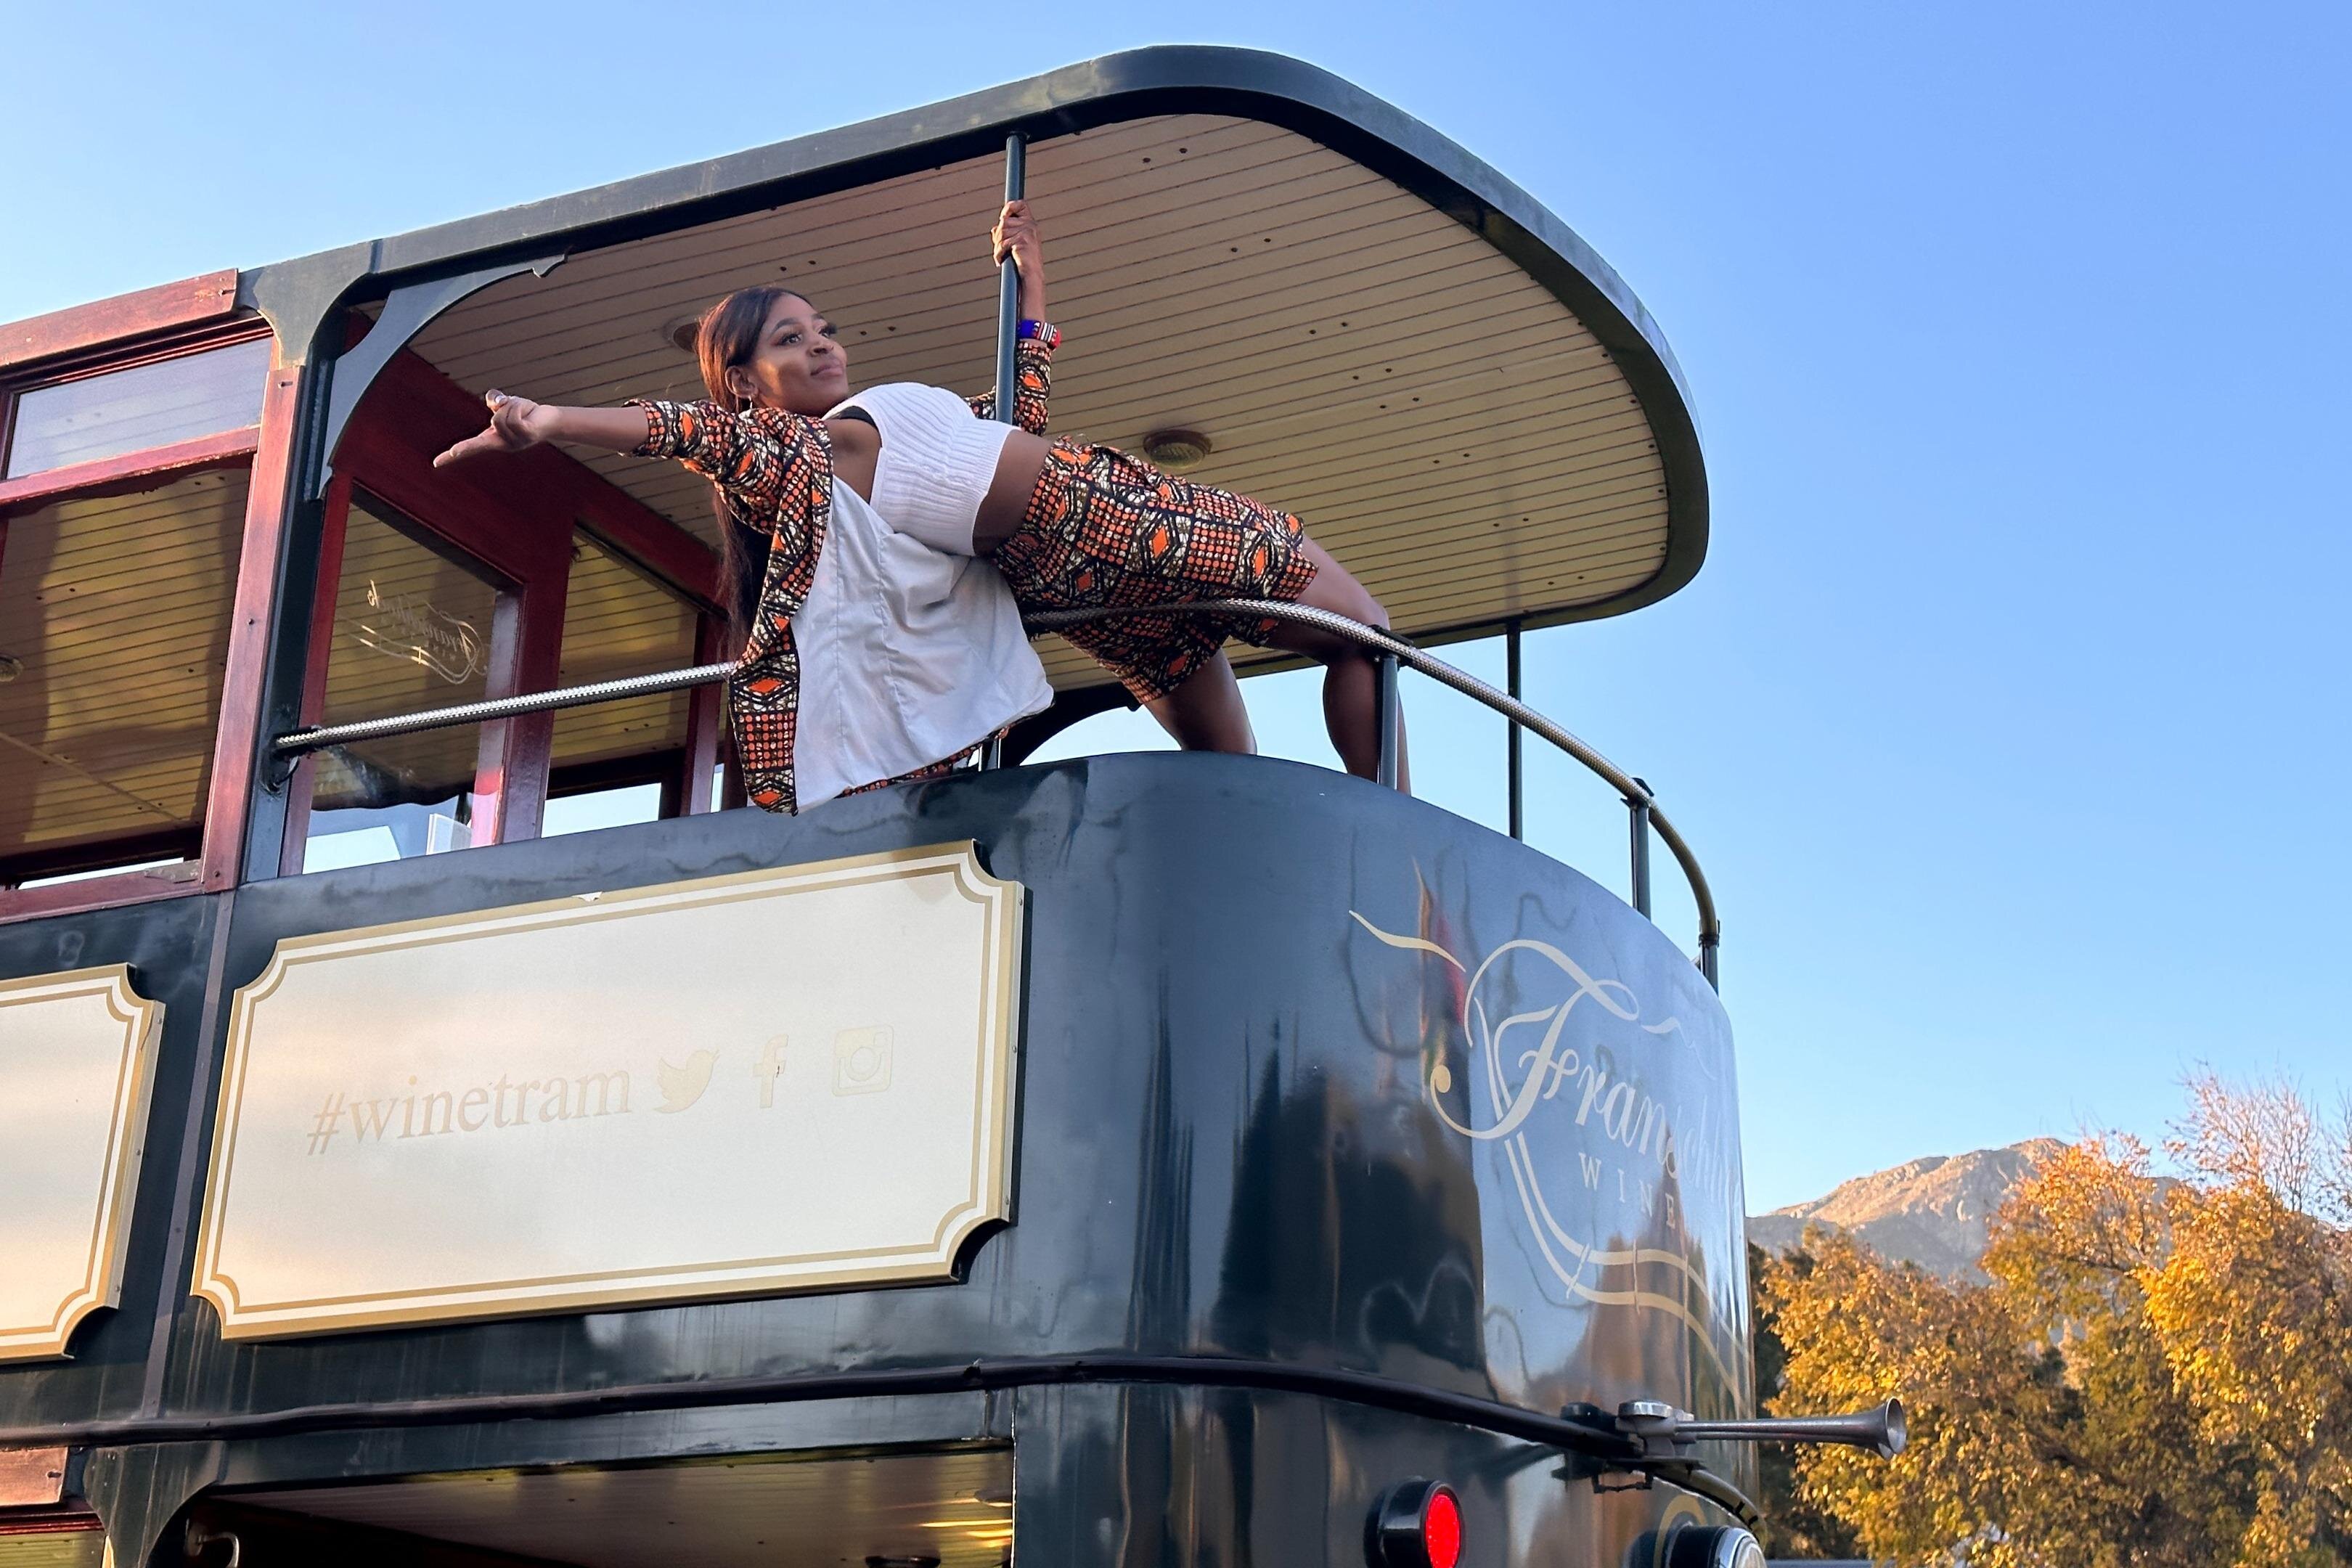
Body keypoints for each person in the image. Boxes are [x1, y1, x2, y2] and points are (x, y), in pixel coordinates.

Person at [437, 200, 1406, 813]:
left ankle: (1322, 858)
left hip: (1078, 579)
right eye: (788, 340)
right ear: (741, 381)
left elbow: (1016, 416)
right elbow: (685, 431)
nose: (822, 345)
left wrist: (1031, 284)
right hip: (1120, 519)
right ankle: (1402, 845)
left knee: (1228, 756)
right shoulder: (807, 452)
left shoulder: (857, 437)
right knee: (1365, 631)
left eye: (822, 328)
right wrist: (551, 420)